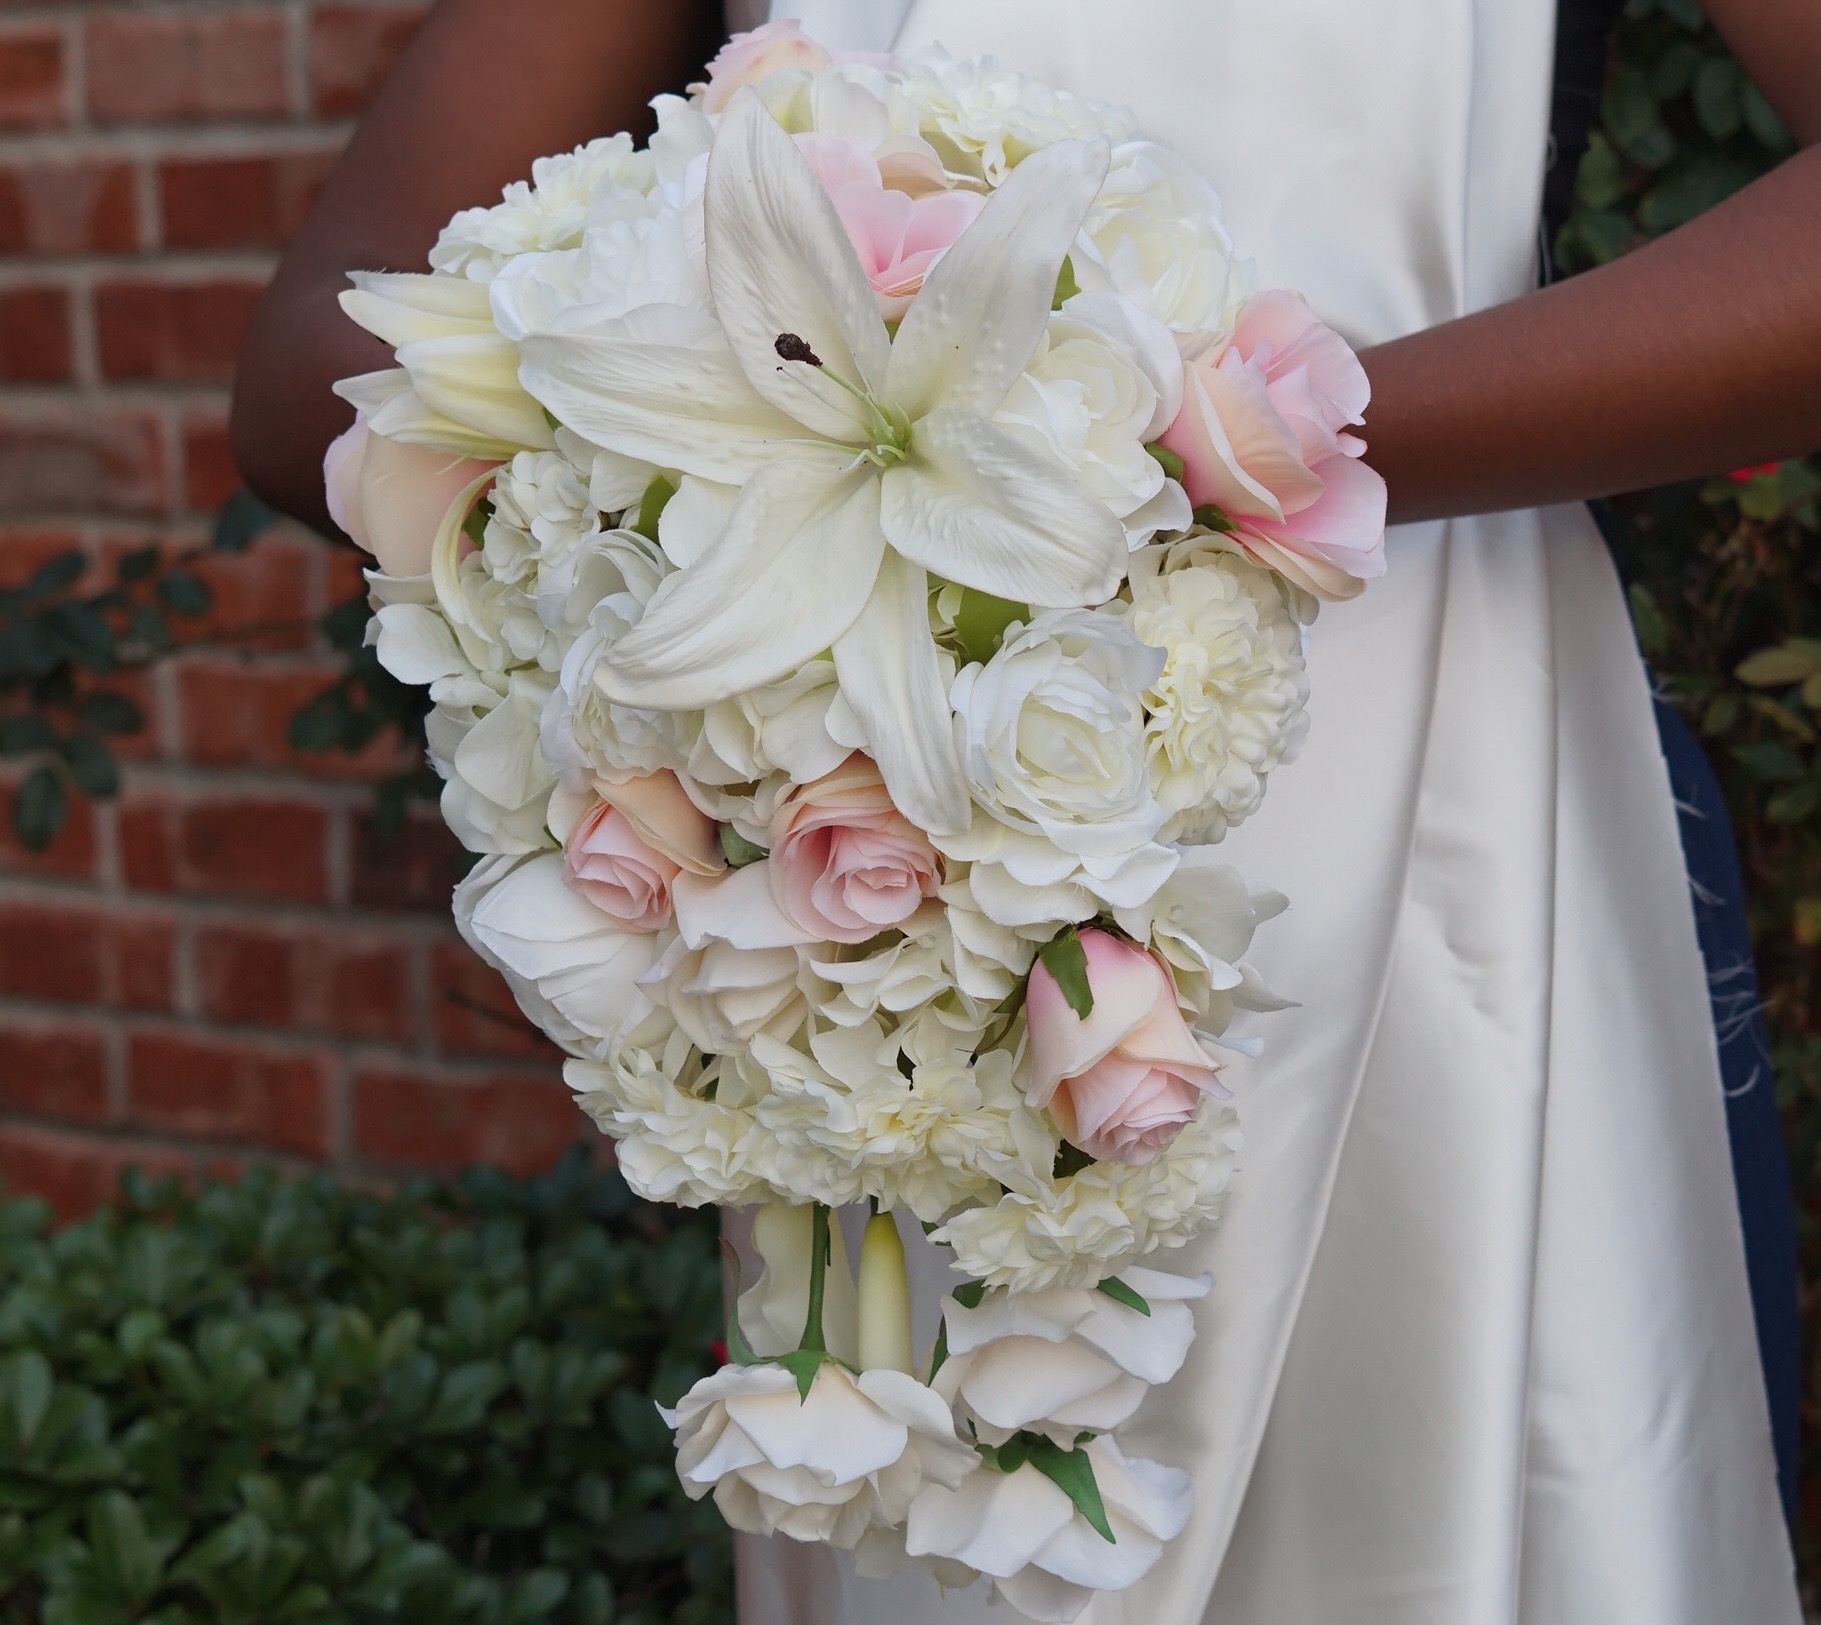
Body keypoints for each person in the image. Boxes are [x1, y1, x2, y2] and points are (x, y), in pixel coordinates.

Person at [229, 0, 1821, 1619]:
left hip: (1456, 831)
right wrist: (714, 469)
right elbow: (317, 368)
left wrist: (1210, 447)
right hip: (875, 883)